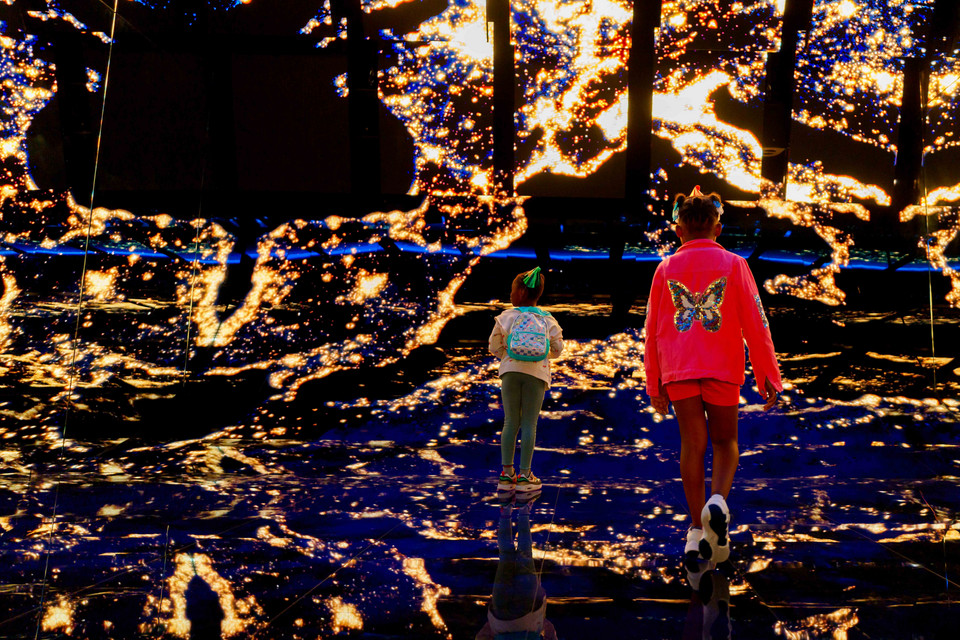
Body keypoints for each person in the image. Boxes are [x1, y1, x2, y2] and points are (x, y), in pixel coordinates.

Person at [643, 186, 782, 574]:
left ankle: (693, 528)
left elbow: (652, 328)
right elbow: (756, 321)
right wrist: (767, 371)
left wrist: (654, 382)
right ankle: (717, 502)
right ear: (717, 228)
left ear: (679, 230)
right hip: (722, 366)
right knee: (726, 443)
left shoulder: (665, 269)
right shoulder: (736, 265)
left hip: (678, 368)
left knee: (693, 444)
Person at [488, 267, 564, 492]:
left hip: (509, 372)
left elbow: (494, 345)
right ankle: (524, 476)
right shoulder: (548, 319)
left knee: (511, 421)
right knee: (530, 423)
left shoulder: (506, 317)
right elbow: (558, 348)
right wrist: (540, 355)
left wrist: (509, 356)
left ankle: (506, 475)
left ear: (520, 292)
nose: (510, 295)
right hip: (537, 374)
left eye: (512, 291)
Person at [476, 492, 558, 640]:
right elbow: (481, 637)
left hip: (529, 613)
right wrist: (494, 623)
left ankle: (524, 509)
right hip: (500, 617)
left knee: (524, 554)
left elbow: (550, 633)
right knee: (506, 555)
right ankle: (506, 510)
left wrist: (541, 620)